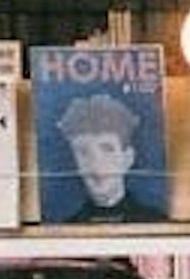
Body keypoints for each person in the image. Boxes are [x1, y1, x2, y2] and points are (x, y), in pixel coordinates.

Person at [46, 90, 166, 223]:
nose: (96, 163)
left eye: (107, 149)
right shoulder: (67, 227)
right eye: (83, 152)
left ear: (127, 158)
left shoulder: (155, 221)